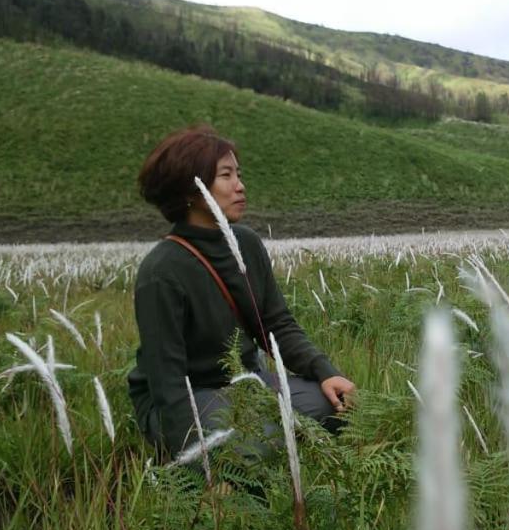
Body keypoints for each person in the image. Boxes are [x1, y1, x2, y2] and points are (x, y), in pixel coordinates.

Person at [129, 125, 357, 459]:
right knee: (257, 442)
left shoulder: (246, 243)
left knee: (342, 408)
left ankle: (260, 433)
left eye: (239, 173)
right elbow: (169, 383)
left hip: (248, 384)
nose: (240, 186)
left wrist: (326, 372)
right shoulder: (161, 272)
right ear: (191, 189)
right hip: (190, 398)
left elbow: (277, 325)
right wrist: (197, 465)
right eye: (226, 175)